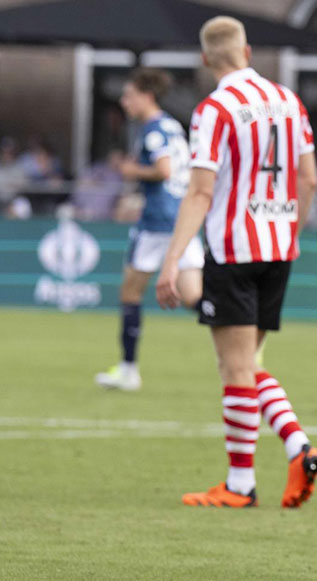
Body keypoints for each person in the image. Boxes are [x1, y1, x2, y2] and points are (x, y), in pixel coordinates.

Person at [155, 16, 317, 509]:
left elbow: (201, 189)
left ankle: (241, 484)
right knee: (249, 365)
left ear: (207, 59)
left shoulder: (214, 109)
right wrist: (290, 229)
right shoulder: (290, 102)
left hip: (233, 250)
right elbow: (309, 179)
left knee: (235, 370)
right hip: (279, 247)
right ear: (247, 50)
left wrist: (171, 262)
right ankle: (296, 447)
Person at [94, 69, 204, 392]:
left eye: (129, 95)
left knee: (130, 293)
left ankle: (128, 370)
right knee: (194, 298)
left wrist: (131, 169)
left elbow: (164, 169)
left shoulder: (154, 129)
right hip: (182, 218)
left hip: (157, 221)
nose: (124, 101)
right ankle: (243, 335)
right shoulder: (172, 125)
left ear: (147, 96)